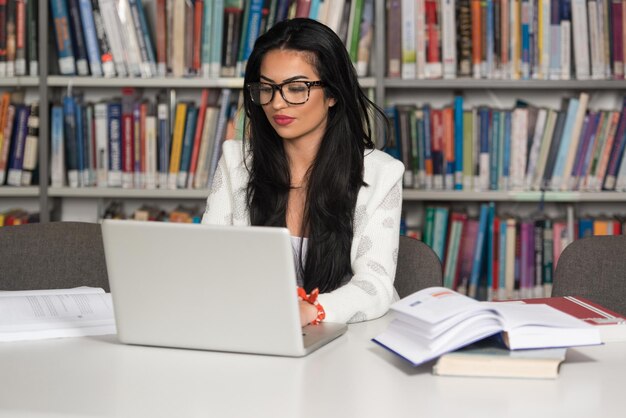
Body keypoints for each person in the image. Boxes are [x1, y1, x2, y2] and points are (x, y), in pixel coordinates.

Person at [202, 18, 404, 326]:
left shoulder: (381, 174)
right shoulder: (235, 162)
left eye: (297, 88)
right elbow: (206, 261)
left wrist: (312, 310)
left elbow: (375, 285)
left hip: (343, 342)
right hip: (253, 332)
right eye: (266, 89)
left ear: (333, 94)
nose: (277, 104)